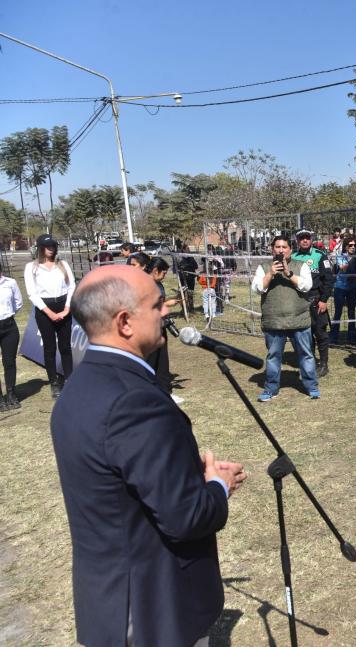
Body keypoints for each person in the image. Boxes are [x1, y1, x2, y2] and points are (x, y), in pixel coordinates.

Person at [50, 264, 247, 647]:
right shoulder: (134, 401)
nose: (167, 311)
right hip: (151, 611)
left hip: (108, 601)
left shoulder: (77, 388)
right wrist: (217, 487)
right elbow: (184, 517)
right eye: (157, 304)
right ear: (125, 322)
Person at [250, 235, 319, 400]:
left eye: (284, 247)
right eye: (278, 247)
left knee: (306, 355)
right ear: (272, 249)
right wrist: (270, 274)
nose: (281, 250)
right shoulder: (264, 267)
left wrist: (288, 273)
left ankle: (311, 386)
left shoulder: (300, 266)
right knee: (273, 356)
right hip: (274, 321)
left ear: (290, 249)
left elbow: (307, 286)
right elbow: (257, 288)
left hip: (299, 319)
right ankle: (271, 388)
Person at [24, 234, 76, 398]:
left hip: (63, 306)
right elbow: (32, 293)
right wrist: (49, 313)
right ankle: (54, 382)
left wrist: (67, 308)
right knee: (49, 348)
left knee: (66, 346)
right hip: (44, 309)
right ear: (40, 248)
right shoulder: (31, 267)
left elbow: (71, 287)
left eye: (53, 246)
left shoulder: (63, 265)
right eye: (47, 246)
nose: (51, 249)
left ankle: (69, 380)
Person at [291, 229, 336, 378]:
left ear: (311, 239)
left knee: (320, 333)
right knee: (304, 334)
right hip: (299, 301)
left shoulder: (320, 255)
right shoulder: (292, 257)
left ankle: (323, 364)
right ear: (297, 240)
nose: (304, 240)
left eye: (307, 238)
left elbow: (328, 280)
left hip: (317, 300)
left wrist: (323, 300)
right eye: (301, 238)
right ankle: (309, 362)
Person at [144, 257, 181, 399]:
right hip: (149, 327)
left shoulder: (157, 284)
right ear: (155, 271)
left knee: (162, 360)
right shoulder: (144, 285)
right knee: (151, 360)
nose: (164, 276)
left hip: (161, 325)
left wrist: (167, 303)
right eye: (163, 273)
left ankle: (164, 390)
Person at [0, 260, 23, 411]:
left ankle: (11, 394)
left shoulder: (11, 283)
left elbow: (18, 302)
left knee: (9, 362)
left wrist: (8, 315)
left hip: (8, 326)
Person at [331, 236, 356, 345]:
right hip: (340, 287)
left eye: (354, 245)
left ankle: (352, 338)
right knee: (338, 312)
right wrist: (352, 259)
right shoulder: (340, 256)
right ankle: (334, 337)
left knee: (351, 313)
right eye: (350, 245)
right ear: (346, 247)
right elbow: (344, 267)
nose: (353, 247)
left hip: (352, 288)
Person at [177, 244, 199, 314]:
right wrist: (185, 267)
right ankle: (184, 309)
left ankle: (191, 308)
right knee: (182, 293)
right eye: (187, 248)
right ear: (183, 250)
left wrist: (188, 266)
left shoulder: (191, 257)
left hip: (191, 278)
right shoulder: (180, 258)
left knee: (190, 293)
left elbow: (196, 266)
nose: (188, 250)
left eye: (189, 248)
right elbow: (179, 267)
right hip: (183, 278)